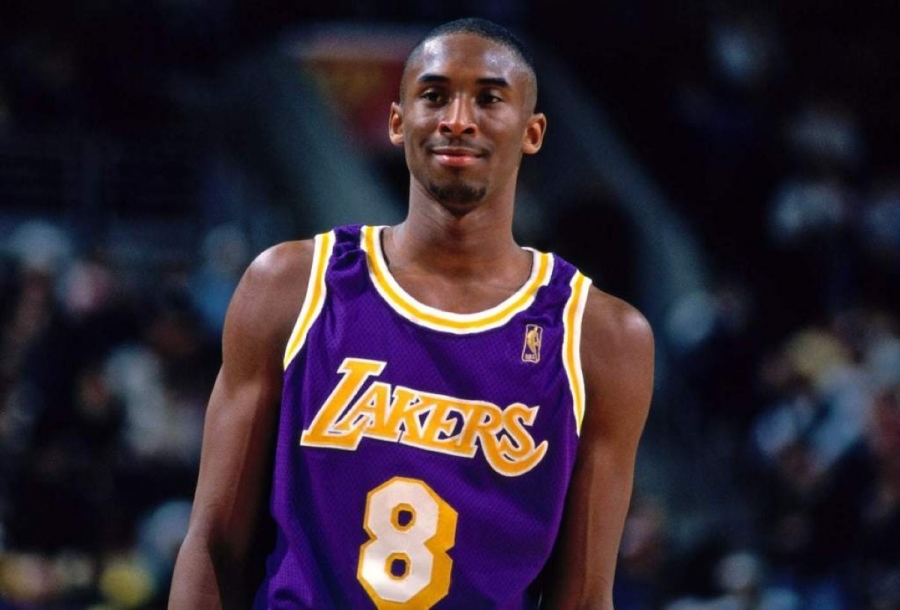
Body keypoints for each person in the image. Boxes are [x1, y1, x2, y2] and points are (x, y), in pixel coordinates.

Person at [168, 16, 655, 609]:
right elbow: (214, 543)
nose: (458, 119)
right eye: (434, 95)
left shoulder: (600, 338)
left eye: (489, 99)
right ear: (398, 122)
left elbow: (583, 598)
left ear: (532, 132)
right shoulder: (291, 286)